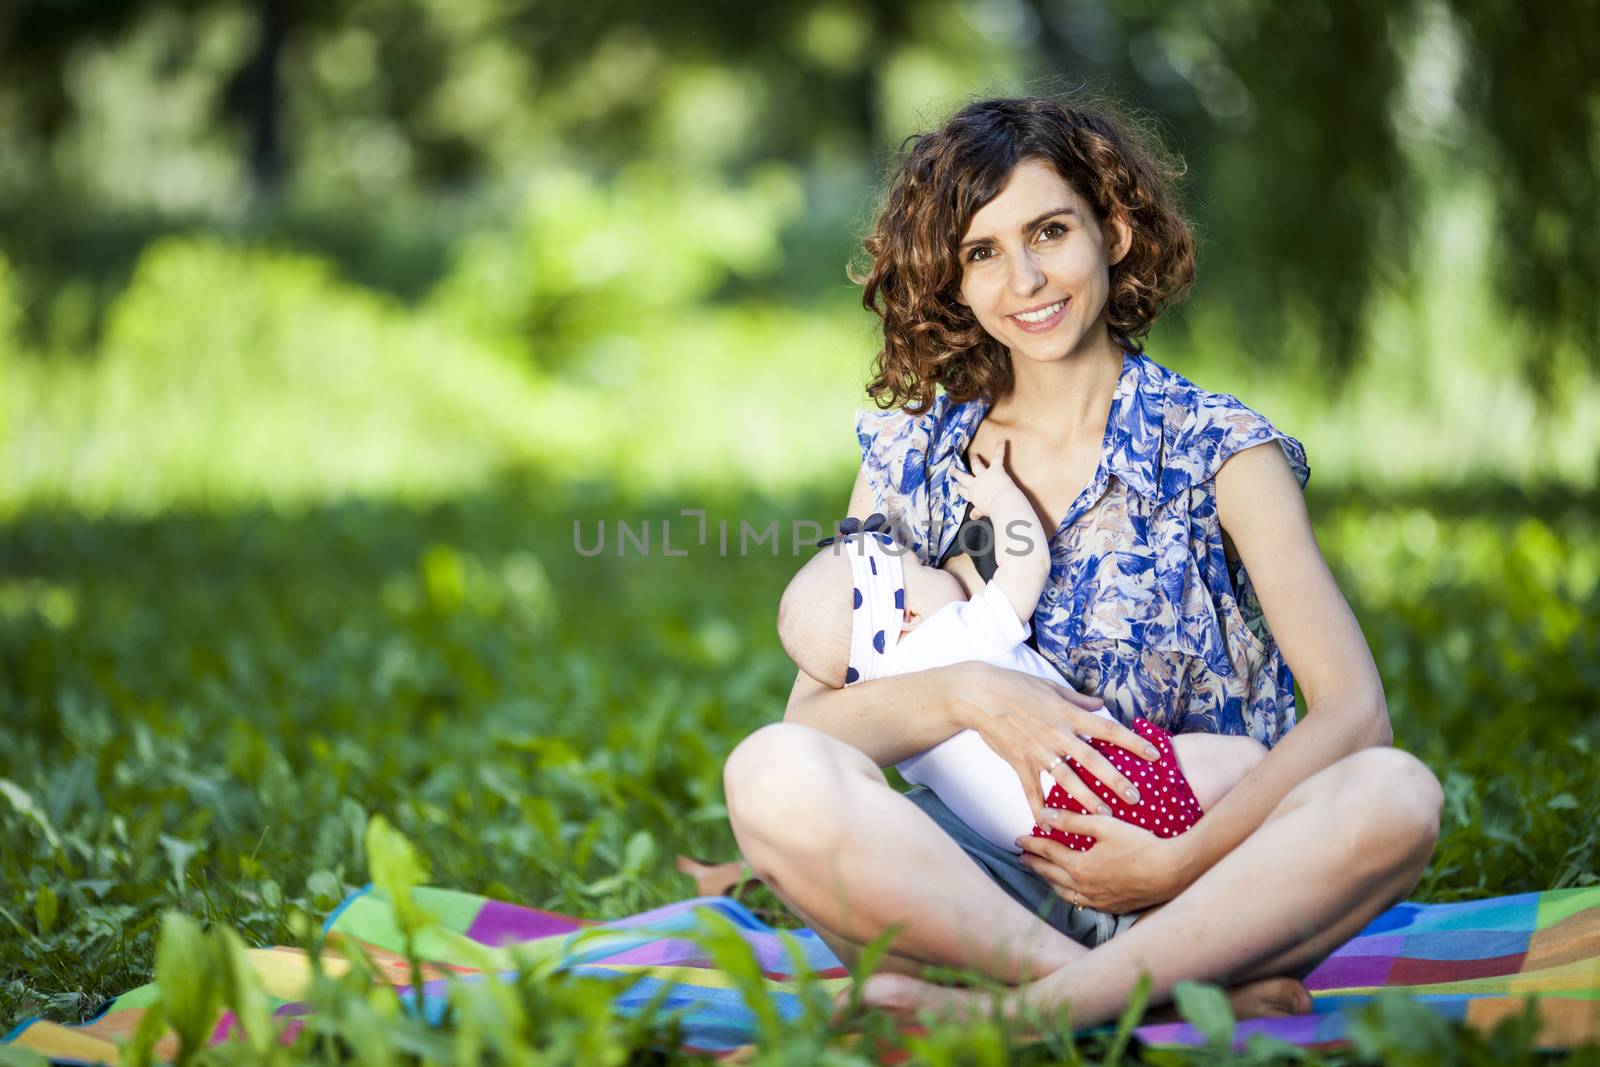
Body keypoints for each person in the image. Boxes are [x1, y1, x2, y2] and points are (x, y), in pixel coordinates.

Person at [720, 95, 1442, 1024]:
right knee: (766, 772)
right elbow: (816, 726)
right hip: (974, 889)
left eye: (1050, 231)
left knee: (1396, 793)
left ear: (1116, 229)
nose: (1024, 279)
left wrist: (1172, 862)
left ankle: (1033, 1011)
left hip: (1208, 877)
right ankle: (1122, 992)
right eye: (982, 252)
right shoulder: (912, 458)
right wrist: (970, 692)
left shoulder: (1221, 451)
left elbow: (1356, 713)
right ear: (953, 279)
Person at [774, 446, 1262, 876]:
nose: (932, 564)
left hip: (1046, 847)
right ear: (907, 615)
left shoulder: (895, 722)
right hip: (1109, 787)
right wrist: (1000, 498)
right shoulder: (951, 635)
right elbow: (1029, 565)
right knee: (1250, 766)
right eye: (921, 567)